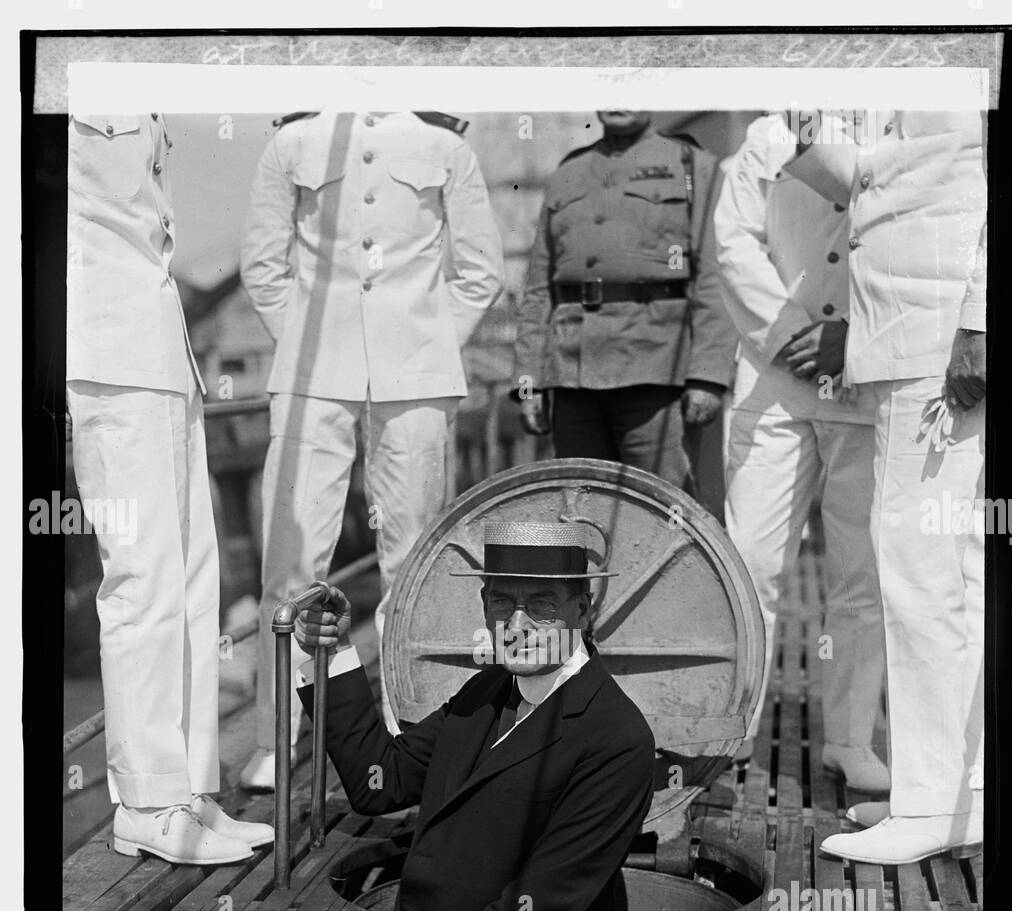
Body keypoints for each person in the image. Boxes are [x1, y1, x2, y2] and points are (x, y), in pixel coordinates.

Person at [239, 109, 504, 790]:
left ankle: (406, 721)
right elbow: (263, 264)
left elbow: (481, 270)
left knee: (413, 557)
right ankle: (277, 735)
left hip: (415, 377)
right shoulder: (293, 141)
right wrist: (304, 339)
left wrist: (427, 341)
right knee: (289, 556)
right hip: (310, 378)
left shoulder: (442, 144)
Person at [781, 110, 986, 864]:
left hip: (938, 339)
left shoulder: (984, 56)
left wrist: (983, 321)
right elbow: (876, 175)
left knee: (916, 572)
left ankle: (932, 803)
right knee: (951, 572)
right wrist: (803, 133)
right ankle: (961, 793)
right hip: (902, 334)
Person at [67, 112, 271, 866]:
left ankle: (191, 788)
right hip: (104, 348)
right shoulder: (54, 74)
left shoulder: (131, 84)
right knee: (144, 576)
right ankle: (148, 802)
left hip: (161, 348)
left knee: (192, 580)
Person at [293, 521, 656, 911]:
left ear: (582, 610)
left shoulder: (617, 741)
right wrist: (333, 652)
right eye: (502, 603)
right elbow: (379, 784)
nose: (517, 627)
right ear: (483, 604)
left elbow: (536, 909)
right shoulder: (487, 689)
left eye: (542, 606)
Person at [714, 112, 887, 793]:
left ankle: (848, 739)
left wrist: (858, 334)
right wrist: (792, 332)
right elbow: (735, 244)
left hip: (862, 376)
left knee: (860, 574)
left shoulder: (895, 124)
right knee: (750, 560)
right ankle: (728, 733)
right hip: (775, 377)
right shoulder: (767, 135)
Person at [512, 110, 737, 506]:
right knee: (580, 512)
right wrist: (528, 381)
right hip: (572, 375)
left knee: (663, 510)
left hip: (655, 371)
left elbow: (713, 277)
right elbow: (538, 287)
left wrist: (707, 377)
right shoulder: (570, 171)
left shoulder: (692, 167)